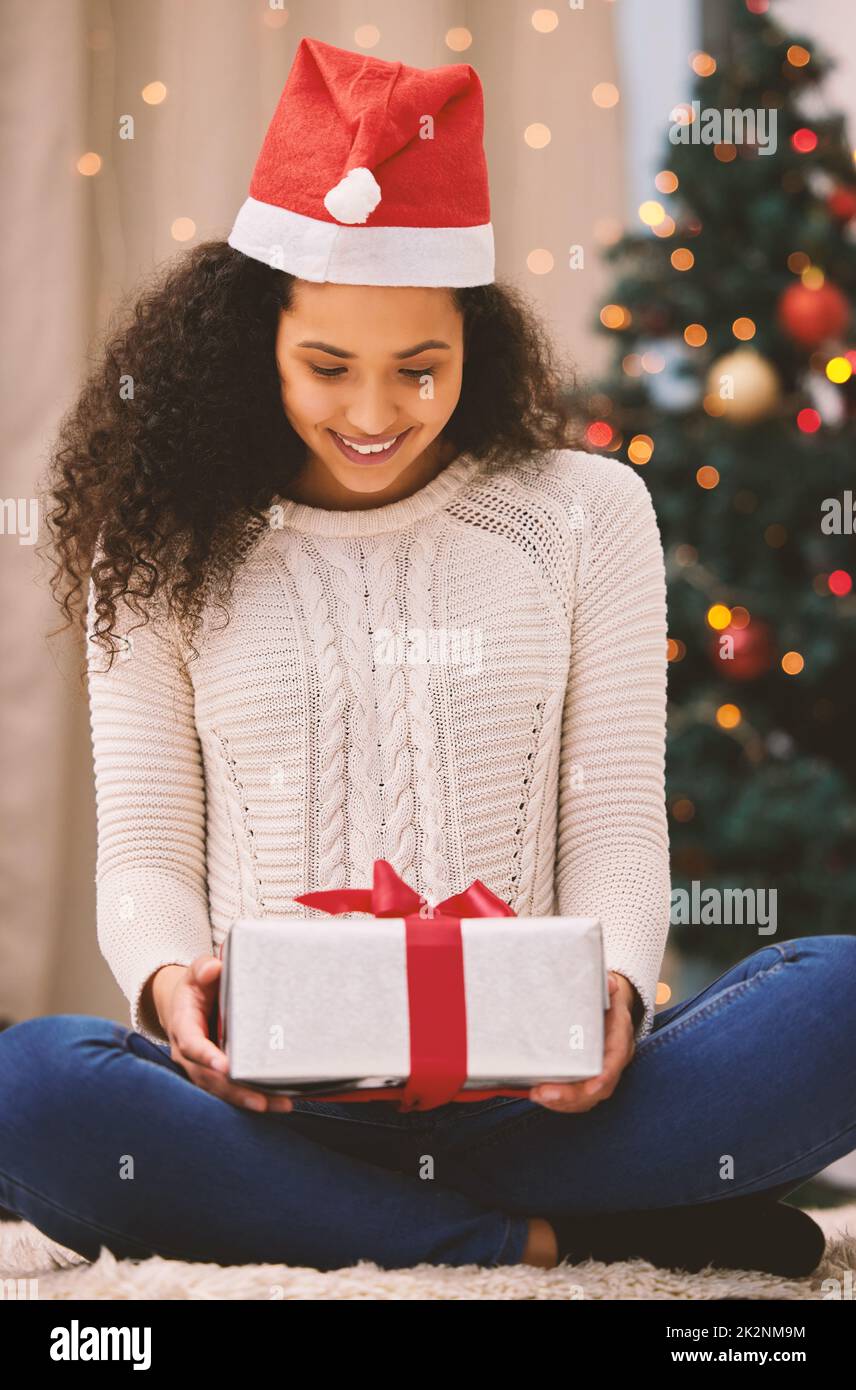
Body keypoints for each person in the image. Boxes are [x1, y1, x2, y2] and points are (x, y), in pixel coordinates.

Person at [2, 38, 851, 1278]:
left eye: (420, 369)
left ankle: (365, 1220)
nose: (372, 413)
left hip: (547, 1104)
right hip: (279, 1109)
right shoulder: (161, 534)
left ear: (476, 341)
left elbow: (611, 818)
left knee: (838, 995)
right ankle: (545, 1238)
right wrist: (169, 987)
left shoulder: (582, 512)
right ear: (256, 340)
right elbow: (143, 848)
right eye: (327, 366)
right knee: (30, 1084)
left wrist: (612, 993)